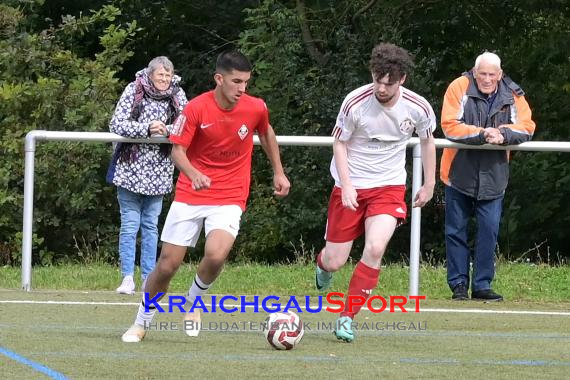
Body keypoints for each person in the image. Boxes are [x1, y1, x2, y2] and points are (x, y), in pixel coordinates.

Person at [121, 50, 291, 342]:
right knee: (167, 265)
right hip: (191, 193)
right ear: (219, 78)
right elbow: (177, 151)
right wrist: (194, 174)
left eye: (246, 82)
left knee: (216, 254)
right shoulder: (196, 108)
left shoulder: (256, 107)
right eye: (236, 81)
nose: (242, 89)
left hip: (230, 194)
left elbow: (266, 132)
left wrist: (278, 170)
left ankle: (192, 301)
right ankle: (141, 321)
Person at [314, 43, 437, 343]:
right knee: (335, 260)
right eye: (377, 79)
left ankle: (347, 317)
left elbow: (427, 142)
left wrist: (430, 183)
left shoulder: (418, 107)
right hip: (350, 184)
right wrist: (346, 185)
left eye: (388, 82)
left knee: (375, 248)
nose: (381, 88)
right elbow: (339, 144)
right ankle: (322, 266)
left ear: (402, 79)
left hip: (389, 186)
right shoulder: (355, 102)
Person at [440, 52, 535, 302]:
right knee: (455, 231)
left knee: (489, 231)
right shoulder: (458, 87)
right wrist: (484, 134)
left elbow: (527, 126)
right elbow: (449, 126)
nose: (487, 79)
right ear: (474, 71)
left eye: (492, 74)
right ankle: (458, 285)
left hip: (494, 176)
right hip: (457, 174)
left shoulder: (513, 94)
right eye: (482, 74)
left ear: (500, 75)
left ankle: (482, 285)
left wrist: (503, 134)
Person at [108, 56, 188, 295]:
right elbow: (116, 124)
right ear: (150, 74)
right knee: (129, 226)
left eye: (168, 75)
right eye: (160, 75)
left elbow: (188, 125)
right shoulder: (134, 89)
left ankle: (147, 279)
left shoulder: (178, 94)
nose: (164, 79)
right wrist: (146, 128)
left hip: (160, 171)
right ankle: (126, 279)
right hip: (130, 169)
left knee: (151, 226)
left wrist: (168, 130)